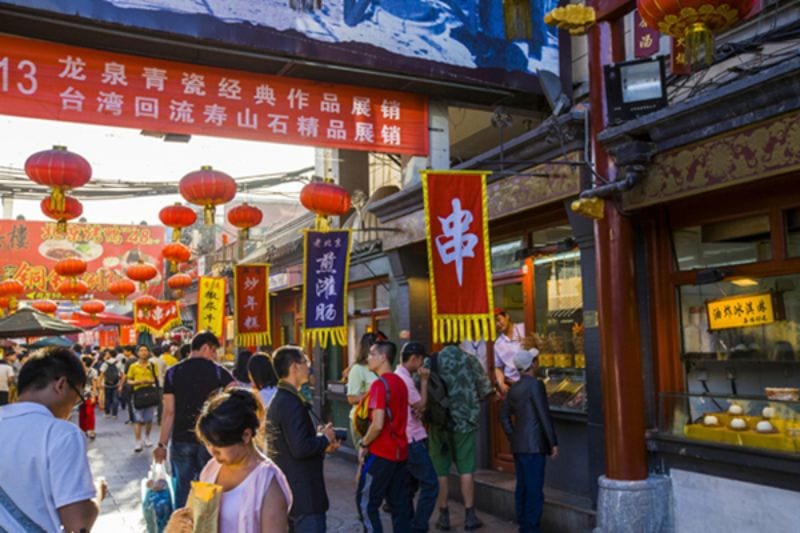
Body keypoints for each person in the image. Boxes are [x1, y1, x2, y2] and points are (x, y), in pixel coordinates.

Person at [0, 346, 106, 531]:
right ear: (61, 385)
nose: (74, 406)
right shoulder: (62, 433)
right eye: (78, 397)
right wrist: (97, 493)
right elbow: (77, 525)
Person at [165, 388, 293, 533]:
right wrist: (177, 524)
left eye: (219, 445)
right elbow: (193, 519)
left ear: (246, 435)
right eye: (208, 443)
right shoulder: (212, 469)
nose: (213, 452)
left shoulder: (267, 482)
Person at [154, 331, 235, 508]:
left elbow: (169, 412)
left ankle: (184, 526)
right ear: (205, 347)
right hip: (210, 439)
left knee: (183, 490)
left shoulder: (172, 373)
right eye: (214, 351)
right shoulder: (218, 371)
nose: (215, 356)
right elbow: (235, 393)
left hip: (181, 440)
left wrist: (162, 444)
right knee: (209, 488)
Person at [268, 345, 339, 532]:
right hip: (304, 494)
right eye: (306, 362)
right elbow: (299, 448)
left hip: (294, 489)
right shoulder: (290, 402)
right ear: (294, 368)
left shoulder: (284, 398)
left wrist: (322, 443)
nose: (309, 366)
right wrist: (324, 439)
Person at [428, 344, 493, 531]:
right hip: (464, 423)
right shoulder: (470, 359)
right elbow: (485, 389)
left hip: (438, 424)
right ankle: (470, 515)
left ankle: (443, 516)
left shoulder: (431, 360)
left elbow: (420, 390)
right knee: (466, 468)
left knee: (441, 471)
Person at [500, 350, 558, 533]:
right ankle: (531, 528)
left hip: (519, 445)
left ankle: (524, 525)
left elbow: (503, 416)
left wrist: (513, 435)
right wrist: (553, 443)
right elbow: (543, 415)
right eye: (535, 360)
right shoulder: (536, 385)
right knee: (534, 490)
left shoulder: (514, 388)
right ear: (532, 364)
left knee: (523, 488)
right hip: (534, 445)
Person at [356, 340, 411, 532]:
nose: (368, 358)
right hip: (400, 454)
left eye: (372, 354)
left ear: (383, 357)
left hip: (381, 454)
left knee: (366, 504)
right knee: (399, 506)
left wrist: (364, 443)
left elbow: (377, 424)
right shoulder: (401, 383)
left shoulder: (380, 385)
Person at [396, 342, 439, 532]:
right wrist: (424, 381)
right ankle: (418, 527)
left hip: (406, 438)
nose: (422, 364)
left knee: (408, 488)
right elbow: (421, 405)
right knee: (430, 485)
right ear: (414, 359)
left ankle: (407, 525)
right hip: (412, 439)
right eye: (421, 359)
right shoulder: (405, 380)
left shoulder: (400, 377)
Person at [346, 331, 382, 443]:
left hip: (377, 418)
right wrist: (372, 394)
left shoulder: (380, 368)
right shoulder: (358, 369)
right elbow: (351, 398)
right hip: (362, 420)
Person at [124, 344, 160, 452]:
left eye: (145, 350)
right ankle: (138, 441)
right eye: (141, 350)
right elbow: (128, 380)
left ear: (148, 352)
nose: (143, 352)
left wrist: (150, 381)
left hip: (150, 393)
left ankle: (147, 438)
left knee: (149, 418)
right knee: (137, 419)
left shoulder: (153, 365)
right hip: (138, 393)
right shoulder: (133, 366)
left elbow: (156, 379)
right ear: (137, 353)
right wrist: (136, 382)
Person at [494, 308, 525, 397]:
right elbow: (498, 367)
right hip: (512, 384)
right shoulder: (498, 344)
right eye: (494, 323)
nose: (497, 324)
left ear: (507, 316)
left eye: (498, 320)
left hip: (528, 381)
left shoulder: (523, 328)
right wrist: (501, 383)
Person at [79, 355, 99, 440]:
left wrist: (94, 395)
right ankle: (82, 429)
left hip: (89, 394)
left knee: (89, 412)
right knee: (82, 412)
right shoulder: (79, 372)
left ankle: (91, 430)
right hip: (81, 394)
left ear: (84, 362)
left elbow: (94, 384)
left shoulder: (93, 371)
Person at [100, 349, 124, 418]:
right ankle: (114, 414)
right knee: (115, 398)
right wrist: (121, 384)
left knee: (107, 398)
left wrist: (99, 383)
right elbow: (122, 374)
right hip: (116, 383)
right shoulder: (119, 363)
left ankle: (107, 413)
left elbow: (102, 374)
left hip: (107, 383)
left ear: (110, 355)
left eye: (107, 354)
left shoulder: (105, 363)